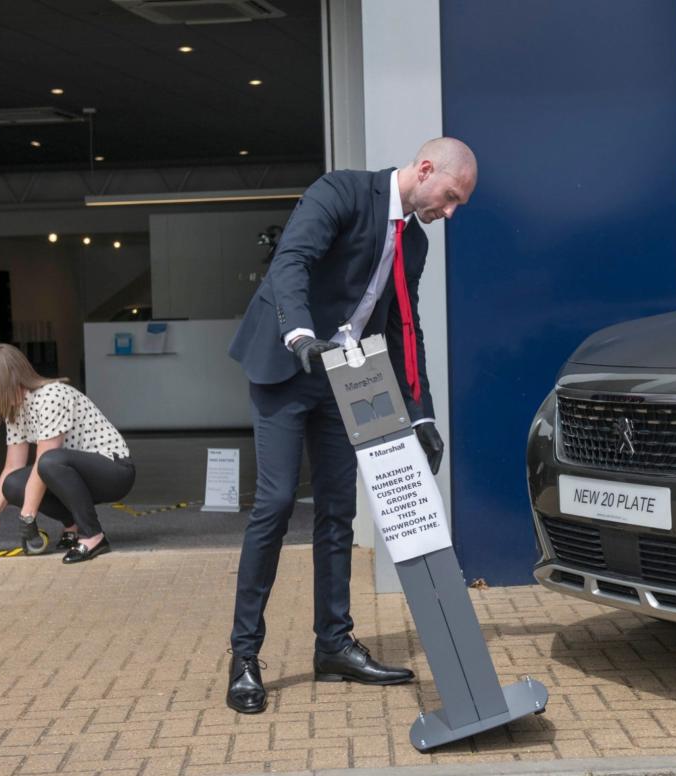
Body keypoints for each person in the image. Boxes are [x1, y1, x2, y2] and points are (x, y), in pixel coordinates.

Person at [224, 137, 478, 714]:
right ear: (426, 168)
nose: (451, 211)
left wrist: (423, 414)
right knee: (277, 502)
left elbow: (403, 330)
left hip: (345, 377)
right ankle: (244, 656)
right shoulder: (341, 191)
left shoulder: (412, 242)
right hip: (288, 361)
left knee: (339, 510)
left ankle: (333, 645)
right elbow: (292, 261)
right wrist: (300, 336)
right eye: (451, 196)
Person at [0, 343, 136, 564]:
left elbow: (45, 461)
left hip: (114, 470)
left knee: (49, 462)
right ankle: (73, 525)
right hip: (74, 473)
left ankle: (93, 536)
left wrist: (27, 518)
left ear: (10, 377)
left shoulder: (51, 396)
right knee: (11, 484)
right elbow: (12, 467)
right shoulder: (15, 410)